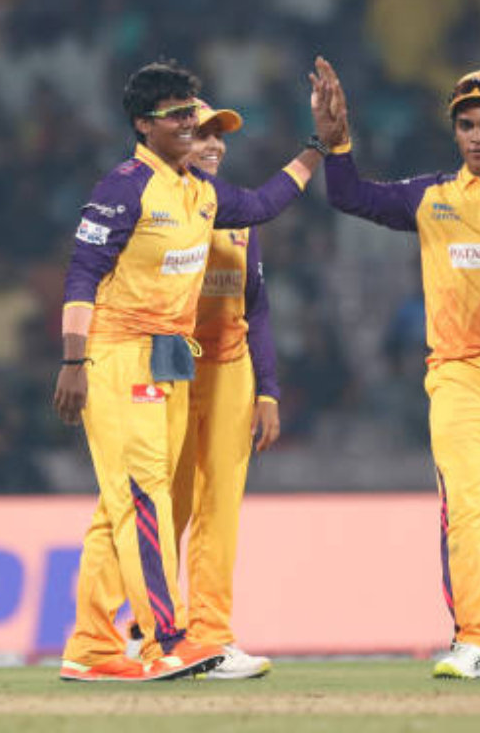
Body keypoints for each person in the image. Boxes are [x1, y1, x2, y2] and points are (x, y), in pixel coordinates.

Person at [52, 59, 345, 682]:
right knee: (145, 497)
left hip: (169, 358)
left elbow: (264, 203)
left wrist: (317, 146)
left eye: (193, 111)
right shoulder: (124, 187)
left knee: (122, 504)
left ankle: (91, 647)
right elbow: (81, 273)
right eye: (178, 114)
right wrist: (74, 358)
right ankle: (166, 640)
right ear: (143, 124)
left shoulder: (200, 192)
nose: (190, 122)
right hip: (119, 352)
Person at [314, 58, 480, 680]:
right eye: (467, 125)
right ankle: (473, 642)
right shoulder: (432, 197)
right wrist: (336, 144)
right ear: (455, 131)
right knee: (464, 507)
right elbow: (349, 195)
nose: (477, 136)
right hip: (458, 373)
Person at [165, 99, 281, 678]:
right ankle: (152, 631)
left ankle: (209, 637)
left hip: (231, 371)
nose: (213, 145)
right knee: (164, 505)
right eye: (201, 135)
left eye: (219, 136)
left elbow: (255, 306)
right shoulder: (154, 206)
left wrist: (269, 390)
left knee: (219, 511)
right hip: (168, 367)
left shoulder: (238, 216)